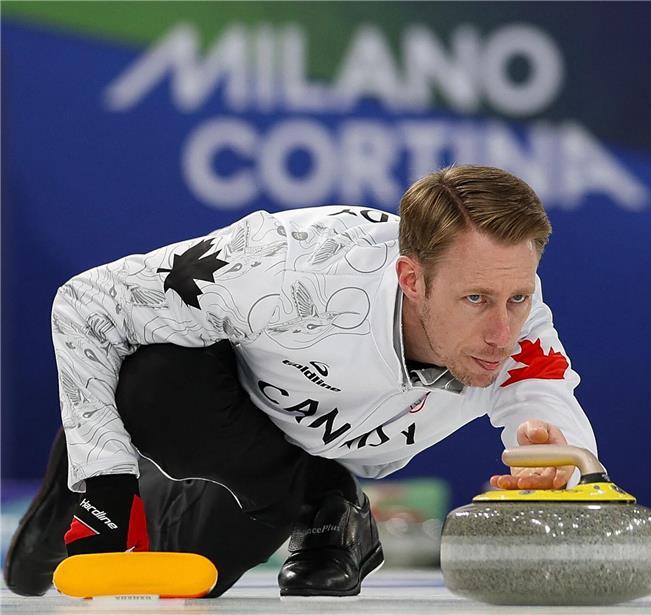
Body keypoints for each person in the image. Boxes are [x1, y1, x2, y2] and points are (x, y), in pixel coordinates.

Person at [3, 165, 596, 598]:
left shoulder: (517, 324)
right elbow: (84, 304)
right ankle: (73, 496)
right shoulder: (288, 269)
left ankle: (321, 498)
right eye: (475, 299)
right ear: (411, 279)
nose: (501, 331)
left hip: (289, 461)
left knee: (195, 576)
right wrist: (105, 482)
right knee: (147, 380)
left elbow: (546, 409)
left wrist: (557, 468)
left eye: (518, 296)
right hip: (217, 404)